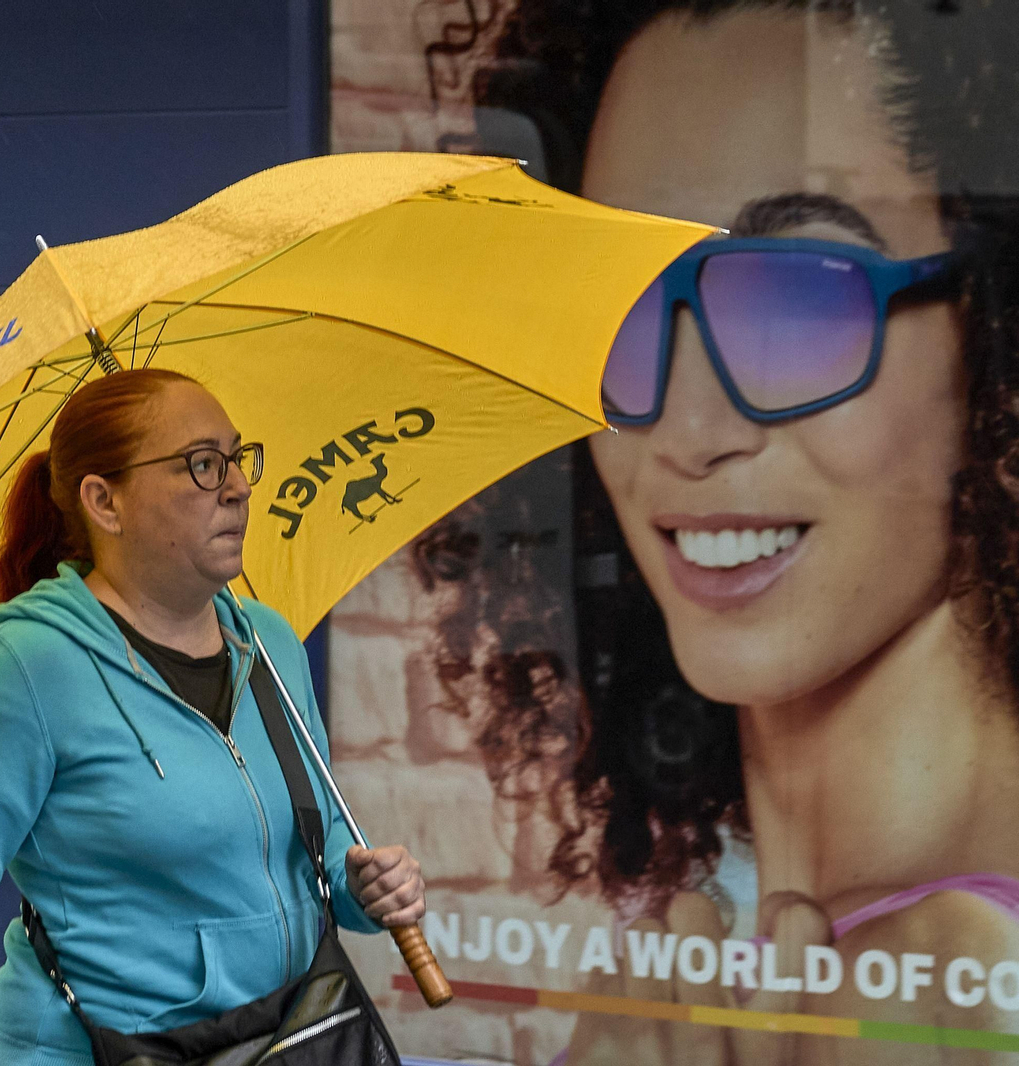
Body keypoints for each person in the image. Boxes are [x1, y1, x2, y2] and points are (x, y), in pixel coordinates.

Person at [420, 0, 1019, 1061]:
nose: (684, 432)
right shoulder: (676, 985)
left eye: (796, 298)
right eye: (616, 303)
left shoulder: (964, 1006)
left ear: (995, 334)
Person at [0, 369, 428, 1064]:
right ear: (104, 501)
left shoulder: (270, 644)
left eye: (237, 457)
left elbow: (324, 856)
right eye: (200, 464)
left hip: (278, 1040)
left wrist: (364, 887)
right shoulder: (25, 664)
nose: (238, 486)